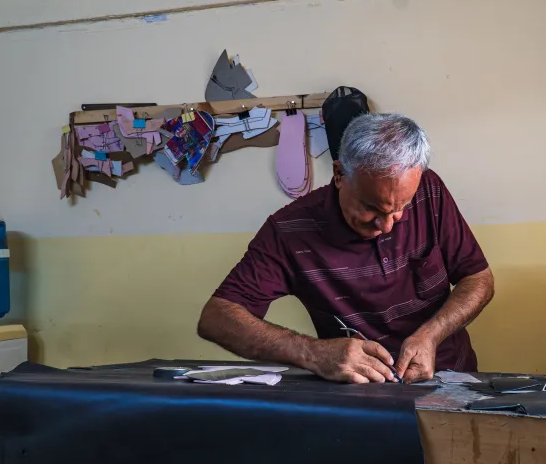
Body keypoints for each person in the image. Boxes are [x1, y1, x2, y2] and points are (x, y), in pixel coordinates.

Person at [198, 113, 494, 383]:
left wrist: (431, 335)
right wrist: (314, 353)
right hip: (359, 390)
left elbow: (478, 279)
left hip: (449, 378)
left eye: (400, 208)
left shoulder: (429, 190)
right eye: (371, 208)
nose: (387, 225)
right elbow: (216, 318)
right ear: (339, 175)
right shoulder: (290, 230)